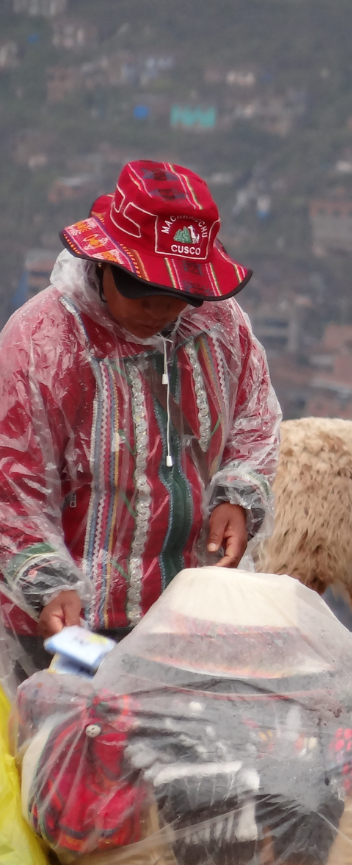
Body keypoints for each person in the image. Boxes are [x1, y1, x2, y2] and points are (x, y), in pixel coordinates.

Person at [0, 160, 281, 685]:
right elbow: (13, 482)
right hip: (64, 623)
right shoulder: (43, 341)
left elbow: (255, 420)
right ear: (104, 265)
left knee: (167, 754)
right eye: (143, 290)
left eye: (177, 295)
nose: (160, 309)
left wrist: (239, 495)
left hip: (181, 613)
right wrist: (42, 577)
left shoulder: (218, 327)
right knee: (67, 753)